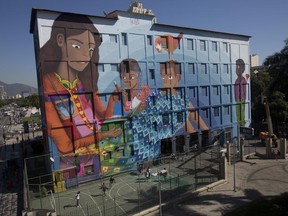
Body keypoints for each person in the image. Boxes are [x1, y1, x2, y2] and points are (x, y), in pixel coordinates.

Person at [41, 13, 122, 155]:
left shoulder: (86, 82)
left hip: (102, 151)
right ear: (60, 40)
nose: (86, 55)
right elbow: (65, 147)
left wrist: (112, 100)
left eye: (90, 49)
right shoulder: (49, 85)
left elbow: (104, 118)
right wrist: (103, 135)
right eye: (77, 46)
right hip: (80, 159)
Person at [234, 58, 247, 126]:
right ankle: (239, 123)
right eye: (236, 67)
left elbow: (244, 91)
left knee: (242, 112)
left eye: (239, 67)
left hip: (241, 100)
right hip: (237, 100)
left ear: (243, 69)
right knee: (238, 113)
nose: (237, 69)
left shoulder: (243, 80)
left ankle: (242, 124)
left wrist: (244, 99)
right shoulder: (236, 80)